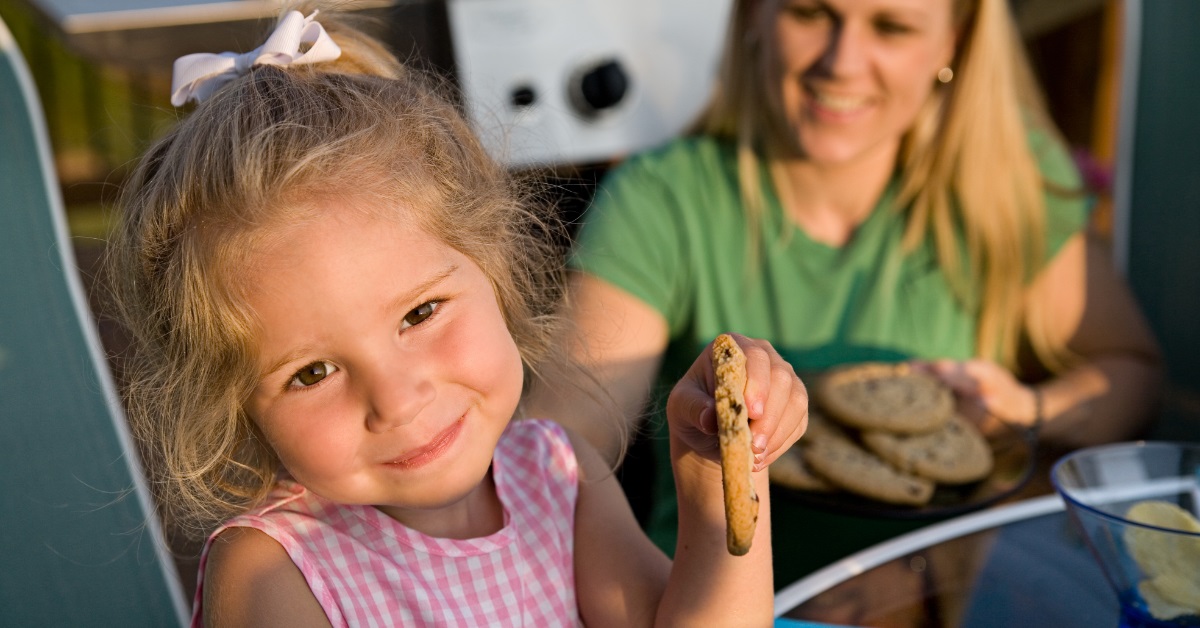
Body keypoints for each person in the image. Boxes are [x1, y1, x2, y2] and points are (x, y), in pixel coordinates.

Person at [104, 7, 808, 626]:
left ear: (496, 272)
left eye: (420, 313)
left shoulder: (556, 479)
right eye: (312, 372)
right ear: (233, 404)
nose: (396, 399)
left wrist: (720, 482)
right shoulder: (274, 571)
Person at [529, 0, 1163, 586]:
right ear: (754, 13)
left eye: (892, 27)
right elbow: (564, 439)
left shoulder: (1004, 185)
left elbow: (1129, 375)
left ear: (956, 39)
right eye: (811, 11)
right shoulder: (663, 199)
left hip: (948, 603)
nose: (842, 61)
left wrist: (1028, 409)